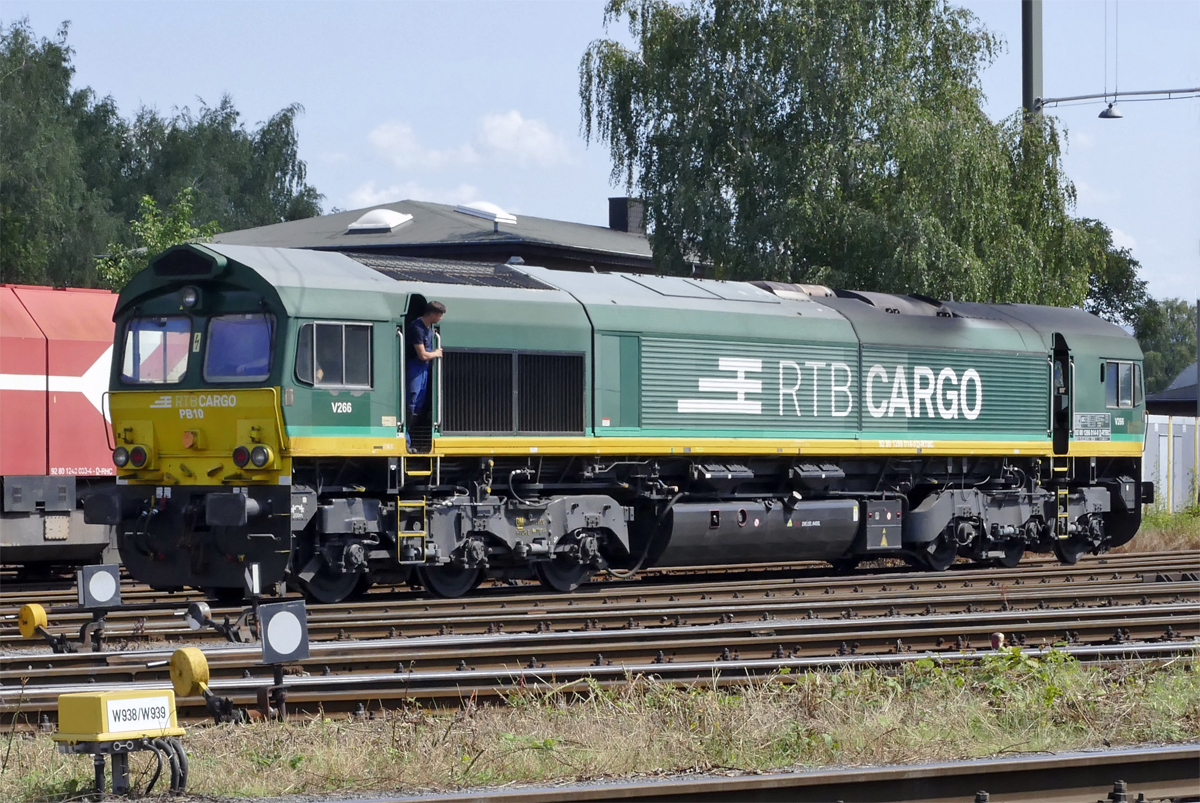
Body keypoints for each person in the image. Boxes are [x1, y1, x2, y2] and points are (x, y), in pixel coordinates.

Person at [406, 301, 446, 452]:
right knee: (412, 399)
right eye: (440, 315)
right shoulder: (417, 328)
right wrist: (436, 353)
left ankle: (409, 437)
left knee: (419, 403)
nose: (441, 319)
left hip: (424, 368)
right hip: (415, 366)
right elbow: (422, 355)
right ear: (433, 315)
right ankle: (405, 438)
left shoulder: (429, 328)